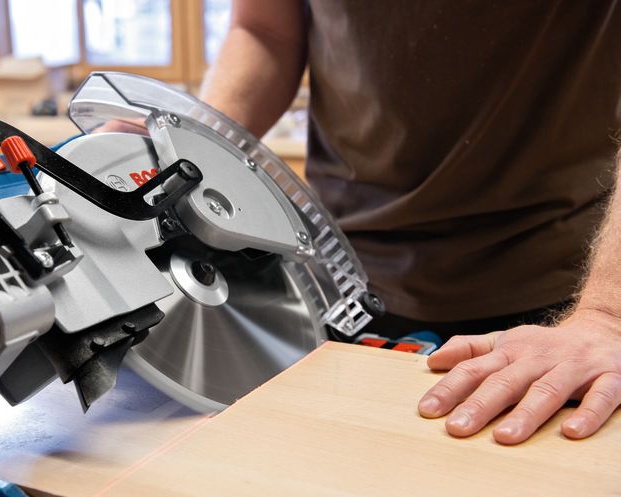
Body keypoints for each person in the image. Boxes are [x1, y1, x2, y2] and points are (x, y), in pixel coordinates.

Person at [200, 1, 621, 444]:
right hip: (336, 276)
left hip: (566, 303)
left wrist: (607, 317)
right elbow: (265, 31)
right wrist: (187, 144)